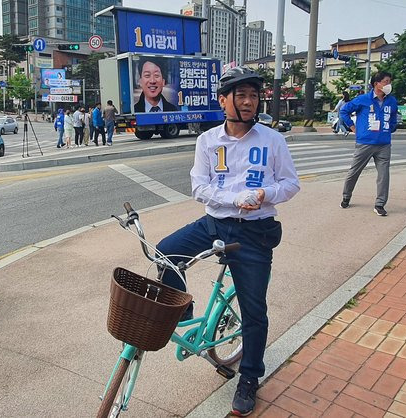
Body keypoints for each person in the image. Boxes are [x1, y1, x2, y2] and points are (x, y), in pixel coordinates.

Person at [155, 66, 299, 416]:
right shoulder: (207, 141)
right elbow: (198, 187)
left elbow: (291, 184)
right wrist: (232, 199)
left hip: (254, 232)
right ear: (224, 101)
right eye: (242, 95)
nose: (249, 102)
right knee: (165, 251)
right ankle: (184, 309)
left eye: (253, 95)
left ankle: (249, 377)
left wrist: (265, 193)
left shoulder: (272, 139)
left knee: (254, 312)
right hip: (214, 223)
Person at [339, 71, 398, 216]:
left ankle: (380, 204)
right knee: (354, 171)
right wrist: (353, 128)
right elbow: (343, 111)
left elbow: (393, 119)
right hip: (365, 143)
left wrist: (390, 128)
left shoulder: (392, 101)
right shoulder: (363, 100)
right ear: (376, 84)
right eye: (385, 81)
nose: (388, 84)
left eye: (389, 81)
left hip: (384, 144)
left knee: (384, 175)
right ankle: (346, 196)